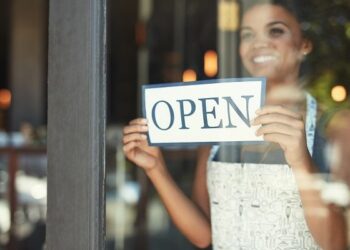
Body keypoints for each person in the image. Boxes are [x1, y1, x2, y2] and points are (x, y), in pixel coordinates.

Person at [123, 0, 346, 249]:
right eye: (247, 34)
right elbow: (205, 235)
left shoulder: (335, 128)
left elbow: (338, 244)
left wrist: (301, 161)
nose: (259, 42)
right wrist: (156, 169)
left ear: (305, 44)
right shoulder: (218, 122)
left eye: (276, 30)